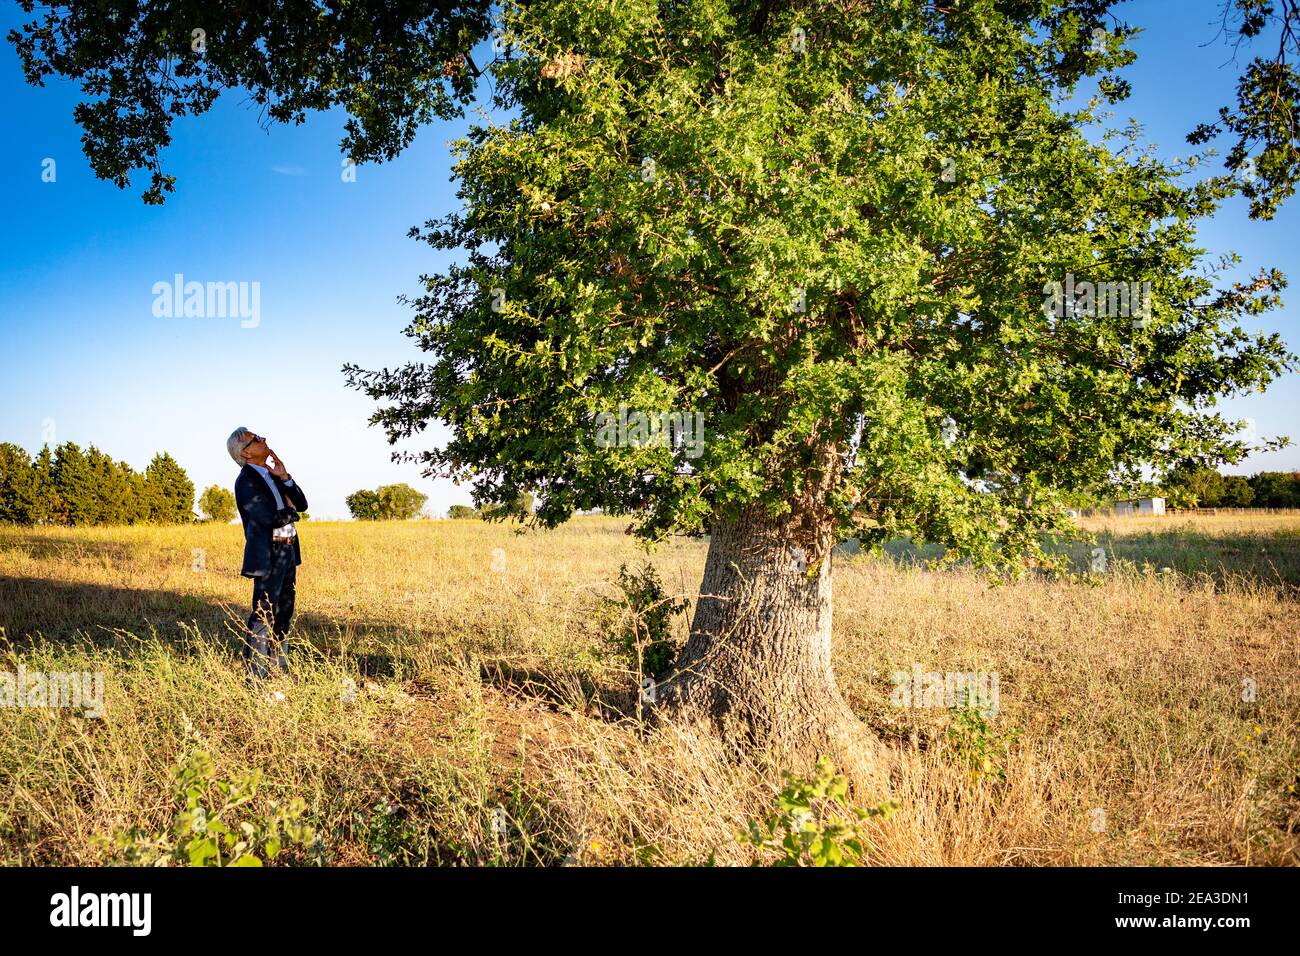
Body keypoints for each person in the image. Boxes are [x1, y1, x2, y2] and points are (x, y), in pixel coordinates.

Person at [226, 427, 308, 683]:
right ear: (247, 452)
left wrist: (285, 478)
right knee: (264, 611)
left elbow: (302, 504)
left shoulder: (271, 476)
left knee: (284, 608)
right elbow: (268, 517)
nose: (264, 439)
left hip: (287, 549)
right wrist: (291, 512)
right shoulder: (246, 481)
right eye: (256, 439)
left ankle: (279, 668)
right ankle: (256, 677)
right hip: (268, 553)